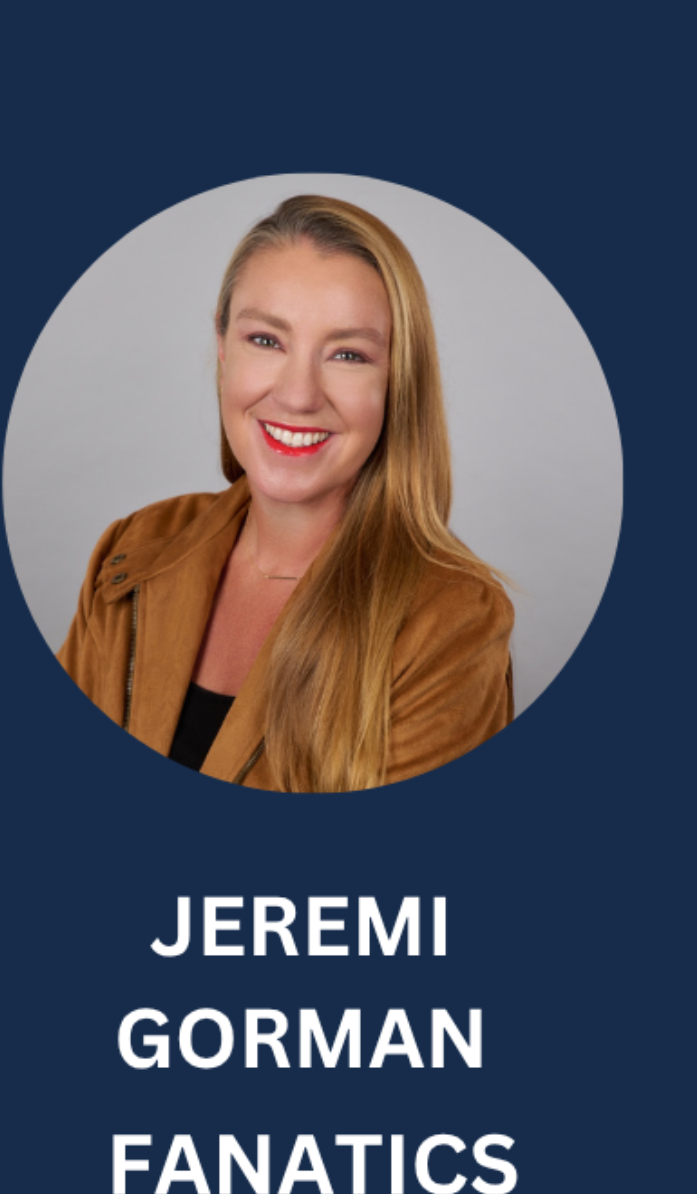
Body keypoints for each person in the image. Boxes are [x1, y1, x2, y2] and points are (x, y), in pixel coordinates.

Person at [57, 195, 514, 792]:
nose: (298, 395)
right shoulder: (135, 548)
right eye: (266, 340)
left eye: (348, 354)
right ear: (222, 348)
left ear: (397, 381)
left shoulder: (452, 622)